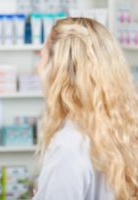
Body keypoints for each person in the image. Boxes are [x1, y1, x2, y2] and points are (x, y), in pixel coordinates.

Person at [33, 18, 138, 200]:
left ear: (59, 70)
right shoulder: (124, 128)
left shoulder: (69, 145)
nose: (38, 67)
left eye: (43, 57)